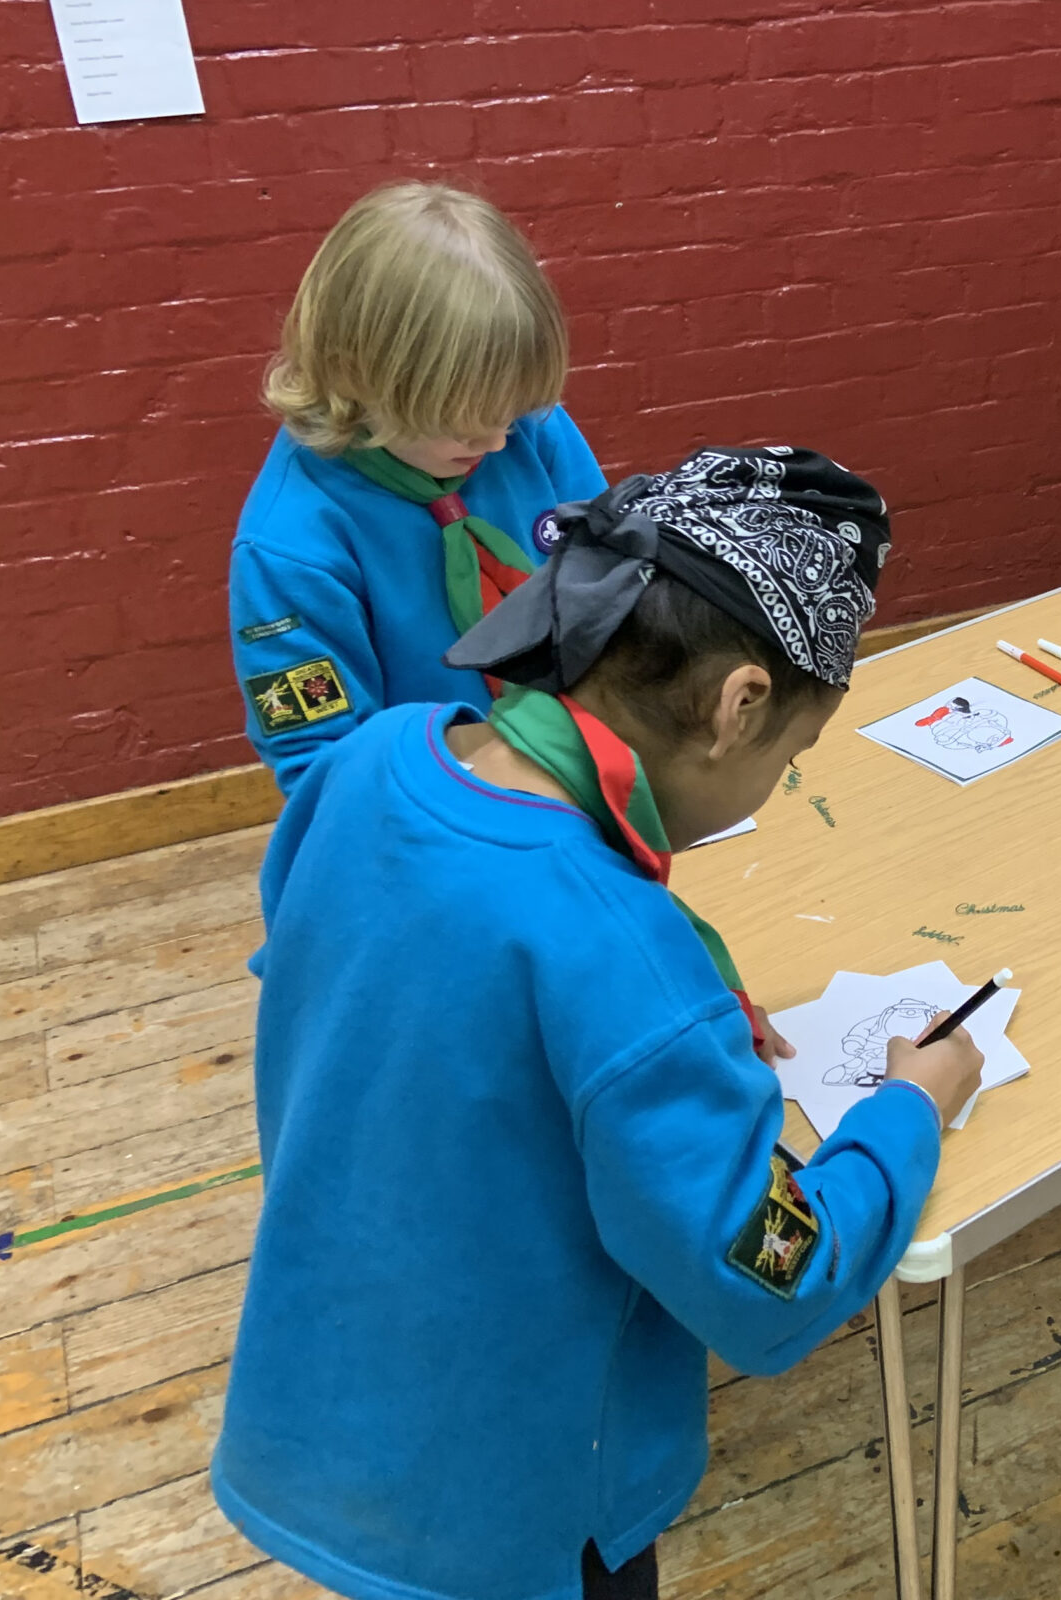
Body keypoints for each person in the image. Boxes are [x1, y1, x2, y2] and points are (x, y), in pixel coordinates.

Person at [211, 447, 983, 1600]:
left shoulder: (370, 759)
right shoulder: (622, 957)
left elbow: (372, 984)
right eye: (795, 755)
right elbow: (772, 1282)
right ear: (739, 706)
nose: (780, 778)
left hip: (325, 1413)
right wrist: (908, 1109)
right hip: (522, 1500)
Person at [230, 182, 605, 792]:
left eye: (510, 412)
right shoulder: (289, 551)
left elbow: (606, 576)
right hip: (426, 808)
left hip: (582, 771)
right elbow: (321, 763)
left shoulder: (531, 429)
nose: (497, 442)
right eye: (462, 423)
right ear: (355, 376)